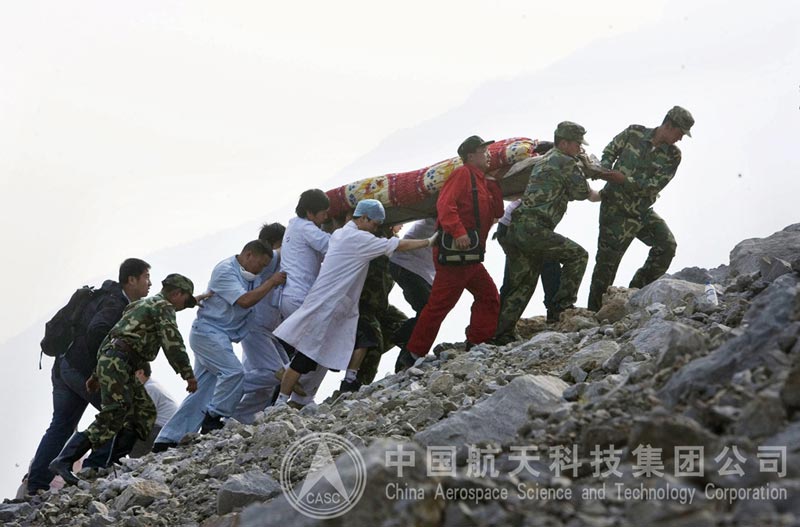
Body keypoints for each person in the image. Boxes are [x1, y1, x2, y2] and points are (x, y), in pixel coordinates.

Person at [274, 199, 434, 400]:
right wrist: (429, 241)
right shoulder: (358, 239)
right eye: (375, 224)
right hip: (328, 306)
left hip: (343, 306)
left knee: (363, 340)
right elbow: (398, 245)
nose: (375, 229)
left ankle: (350, 380)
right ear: (364, 218)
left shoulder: (343, 234)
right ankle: (283, 400)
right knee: (307, 355)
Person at [48, 274, 200, 486]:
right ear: (176, 294)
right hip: (119, 362)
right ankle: (64, 460)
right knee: (114, 412)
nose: (184, 307)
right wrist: (188, 375)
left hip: (117, 362)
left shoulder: (141, 305)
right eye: (185, 300)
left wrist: (95, 375)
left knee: (143, 411)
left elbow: (112, 336)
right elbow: (173, 344)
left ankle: (113, 462)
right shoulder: (163, 308)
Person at [26, 258, 151, 495]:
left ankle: (37, 484)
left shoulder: (106, 297)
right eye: (145, 277)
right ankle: (93, 470)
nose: (149, 284)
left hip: (64, 365)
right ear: (131, 279)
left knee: (61, 425)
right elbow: (97, 331)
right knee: (117, 410)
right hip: (80, 370)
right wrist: (105, 367)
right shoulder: (116, 305)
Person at [152, 241, 285, 451]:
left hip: (220, 336)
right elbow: (244, 301)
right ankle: (214, 418)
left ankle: (167, 440)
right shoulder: (225, 271)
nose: (261, 270)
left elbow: (278, 253)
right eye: (260, 265)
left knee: (202, 391)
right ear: (249, 255)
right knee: (233, 373)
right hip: (208, 333)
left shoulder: (251, 273)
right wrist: (271, 283)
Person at [402, 136, 504, 364]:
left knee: (488, 296)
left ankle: (478, 341)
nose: (488, 154)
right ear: (470, 155)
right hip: (455, 257)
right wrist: (458, 232)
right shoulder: (462, 175)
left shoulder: (482, 181)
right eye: (483, 150)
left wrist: (494, 183)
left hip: (470, 257)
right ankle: (413, 354)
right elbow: (445, 205)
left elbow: (498, 211)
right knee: (440, 305)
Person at [587, 106, 694, 311]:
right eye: (680, 133)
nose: (680, 139)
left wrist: (623, 179)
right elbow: (609, 151)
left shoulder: (673, 155)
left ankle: (637, 293)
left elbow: (654, 186)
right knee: (606, 266)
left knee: (666, 246)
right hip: (614, 210)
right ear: (669, 125)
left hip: (641, 212)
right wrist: (605, 169)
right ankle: (594, 314)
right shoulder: (634, 132)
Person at [275, 189, 332, 407]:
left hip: (292, 297)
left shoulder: (294, 226)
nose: (325, 217)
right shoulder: (307, 228)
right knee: (313, 348)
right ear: (310, 212)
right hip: (300, 297)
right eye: (323, 213)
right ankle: (284, 396)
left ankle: (300, 397)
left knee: (317, 349)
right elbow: (331, 246)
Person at [232, 223, 292, 423]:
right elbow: (284, 250)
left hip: (267, 332)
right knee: (277, 374)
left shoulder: (269, 265)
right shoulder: (269, 261)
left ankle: (239, 420)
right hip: (255, 329)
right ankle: (224, 386)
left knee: (265, 386)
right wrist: (297, 235)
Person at [495, 199, 564, 326]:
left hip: (519, 228)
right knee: (517, 278)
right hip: (515, 228)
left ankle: (556, 310)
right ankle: (497, 323)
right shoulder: (543, 186)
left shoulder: (556, 190)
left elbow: (590, 194)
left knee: (549, 262)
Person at [387, 218, 436, 371]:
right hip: (408, 265)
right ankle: (401, 338)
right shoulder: (440, 217)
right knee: (429, 311)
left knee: (428, 312)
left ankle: (406, 349)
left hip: (418, 270)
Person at [129, 363, 178, 457]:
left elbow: (141, 417)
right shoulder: (151, 385)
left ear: (140, 372)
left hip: (163, 430)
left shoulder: (149, 388)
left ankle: (136, 465)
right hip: (164, 429)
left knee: (130, 436)